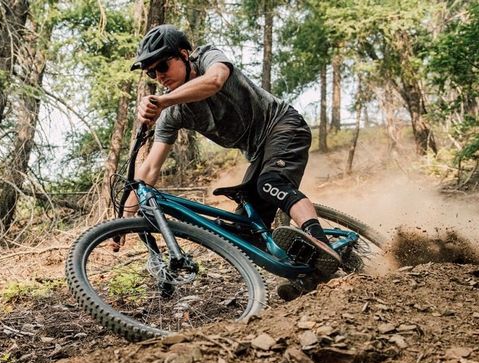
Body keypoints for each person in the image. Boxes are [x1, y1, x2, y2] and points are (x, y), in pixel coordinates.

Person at [126, 24, 342, 283]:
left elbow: (215, 81)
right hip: (258, 152)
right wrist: (125, 218)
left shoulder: (207, 58)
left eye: (162, 66)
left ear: (184, 55)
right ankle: (307, 276)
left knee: (272, 184)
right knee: (244, 231)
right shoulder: (173, 113)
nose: (159, 77)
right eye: (151, 73)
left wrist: (162, 102)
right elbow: (150, 169)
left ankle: (322, 244)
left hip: (284, 125)